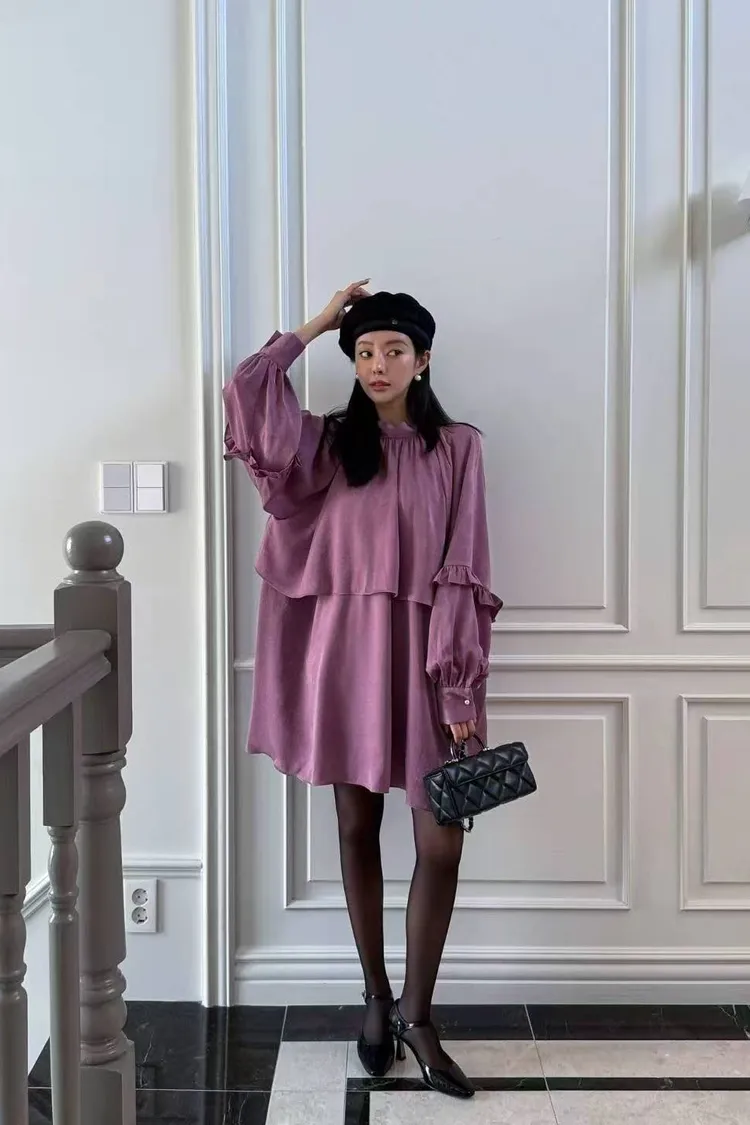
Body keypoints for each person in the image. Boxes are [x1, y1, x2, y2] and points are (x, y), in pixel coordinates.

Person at [223, 283, 501, 1100]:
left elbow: (466, 569)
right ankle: (376, 997)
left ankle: (419, 1013)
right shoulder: (323, 445)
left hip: (426, 664)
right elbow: (247, 392)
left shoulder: (458, 448)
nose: (377, 364)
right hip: (342, 659)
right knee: (356, 825)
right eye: (365, 351)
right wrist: (317, 325)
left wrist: (460, 694)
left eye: (393, 350)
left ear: (423, 360)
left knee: (440, 842)